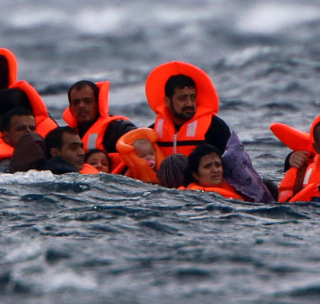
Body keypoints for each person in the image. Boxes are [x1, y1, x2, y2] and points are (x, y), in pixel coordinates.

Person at [145, 61, 271, 201]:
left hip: (205, 197)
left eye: (192, 97)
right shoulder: (152, 131)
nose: (189, 103)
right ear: (168, 101)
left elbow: (235, 168)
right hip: (162, 195)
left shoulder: (215, 127)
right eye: (182, 98)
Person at [63, 80, 134, 167]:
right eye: (76, 102)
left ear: (98, 104)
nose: (81, 106)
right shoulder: (65, 137)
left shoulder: (118, 129)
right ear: (70, 109)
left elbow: (141, 140)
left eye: (87, 101)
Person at [181, 144, 247, 201]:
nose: (215, 170)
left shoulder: (239, 188)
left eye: (218, 165)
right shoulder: (191, 196)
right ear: (196, 174)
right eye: (207, 166)